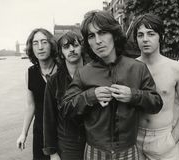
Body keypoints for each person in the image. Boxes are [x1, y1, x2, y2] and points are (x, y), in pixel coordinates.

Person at [62, 10, 163, 160]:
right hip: (95, 151)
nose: (97, 41)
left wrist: (133, 95)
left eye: (102, 33)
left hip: (128, 150)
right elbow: (66, 108)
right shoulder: (83, 73)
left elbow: (156, 103)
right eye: (91, 36)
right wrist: (90, 96)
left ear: (114, 34)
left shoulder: (137, 68)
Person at [133, 13, 179, 160]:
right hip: (134, 139)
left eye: (151, 34)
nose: (145, 39)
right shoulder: (130, 67)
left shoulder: (176, 69)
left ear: (161, 36)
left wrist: (172, 140)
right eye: (140, 35)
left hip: (163, 139)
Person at [43, 31, 86, 160]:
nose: (72, 50)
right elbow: (49, 118)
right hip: (68, 145)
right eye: (66, 47)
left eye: (75, 45)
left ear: (82, 47)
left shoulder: (94, 73)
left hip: (94, 141)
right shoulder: (54, 81)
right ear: (61, 53)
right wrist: (52, 152)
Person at [16, 28, 58, 160]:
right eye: (35, 43)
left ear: (51, 45)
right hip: (40, 132)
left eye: (44, 42)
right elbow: (30, 106)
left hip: (62, 131)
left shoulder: (63, 69)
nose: (40, 47)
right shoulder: (30, 73)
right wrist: (24, 133)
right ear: (31, 48)